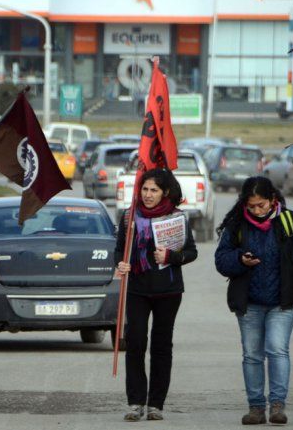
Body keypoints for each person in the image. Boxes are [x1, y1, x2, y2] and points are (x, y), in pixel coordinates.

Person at [214, 176, 293, 425]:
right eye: (251, 206)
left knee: (277, 349)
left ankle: (277, 405)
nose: (256, 210)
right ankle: (255, 407)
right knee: (252, 355)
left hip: (282, 301)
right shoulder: (237, 224)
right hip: (249, 302)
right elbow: (221, 260)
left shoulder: (290, 221)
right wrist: (240, 260)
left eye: (261, 205)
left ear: (272, 200)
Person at [114, 168, 197, 422]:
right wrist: (120, 264)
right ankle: (136, 401)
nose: (148, 195)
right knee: (136, 341)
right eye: (145, 189)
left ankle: (156, 404)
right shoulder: (130, 216)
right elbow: (118, 250)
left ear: (165, 193)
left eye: (154, 190)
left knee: (161, 346)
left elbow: (191, 252)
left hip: (168, 291)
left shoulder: (176, 217)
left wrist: (171, 257)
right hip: (137, 289)